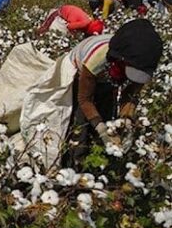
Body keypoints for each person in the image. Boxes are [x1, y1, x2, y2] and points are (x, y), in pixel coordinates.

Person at [65, 19, 162, 165]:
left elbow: (130, 95)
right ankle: (76, 161)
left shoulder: (141, 62)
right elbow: (85, 99)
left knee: (108, 112)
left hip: (109, 74)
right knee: (81, 121)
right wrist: (102, 130)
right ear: (120, 61)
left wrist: (127, 121)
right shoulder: (97, 59)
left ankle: (101, 157)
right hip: (78, 72)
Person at [36, 5, 104, 37]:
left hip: (63, 13)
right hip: (59, 16)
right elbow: (69, 26)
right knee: (47, 32)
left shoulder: (88, 20)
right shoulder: (85, 23)